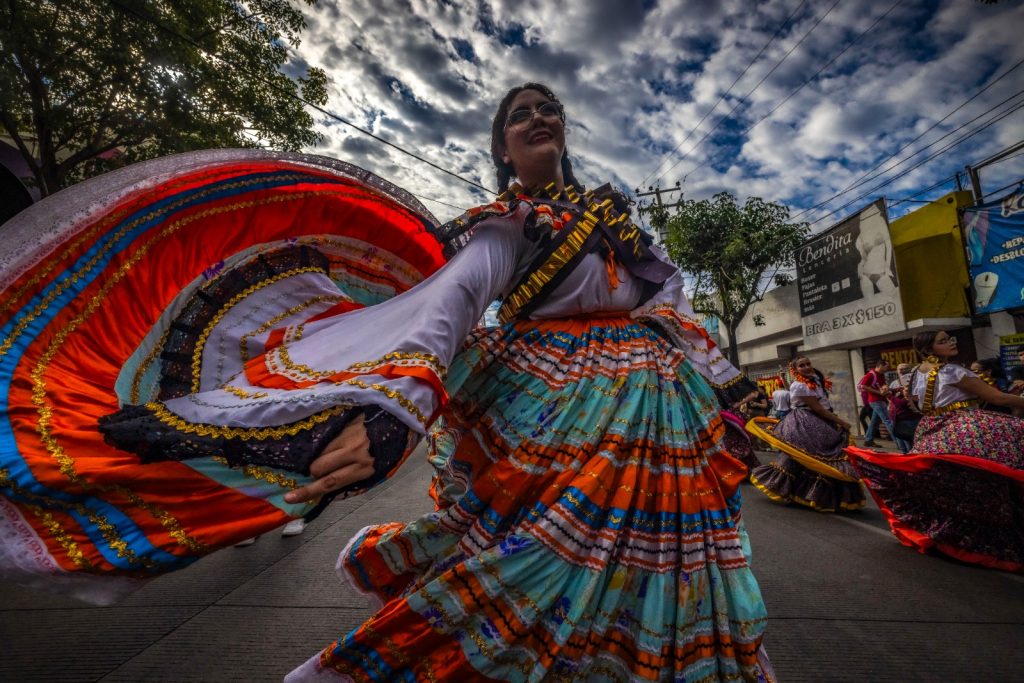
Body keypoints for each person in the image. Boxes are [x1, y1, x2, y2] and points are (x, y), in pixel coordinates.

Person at [0, 84, 774, 681]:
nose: (540, 118)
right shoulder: (505, 227)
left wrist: (727, 382)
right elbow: (452, 302)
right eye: (521, 115)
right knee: (552, 562)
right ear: (504, 150)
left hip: (660, 412)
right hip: (561, 416)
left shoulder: (617, 223)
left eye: (550, 110)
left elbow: (666, 303)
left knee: (677, 572)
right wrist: (394, 410)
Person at [847, 331, 1024, 571]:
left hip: (930, 431)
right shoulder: (953, 372)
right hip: (965, 428)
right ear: (928, 349)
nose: (951, 342)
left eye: (950, 338)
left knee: (952, 489)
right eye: (943, 341)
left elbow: (914, 405)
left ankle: (952, 536)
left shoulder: (912, 376)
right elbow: (999, 399)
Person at [747, 357, 866, 512]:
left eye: (808, 364)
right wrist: (841, 422)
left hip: (819, 420)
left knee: (805, 459)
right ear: (795, 370)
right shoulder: (799, 385)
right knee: (812, 457)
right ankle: (810, 494)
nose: (806, 367)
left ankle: (809, 494)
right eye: (801, 365)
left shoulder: (815, 380)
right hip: (806, 422)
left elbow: (823, 406)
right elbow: (818, 408)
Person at [859, 358, 910, 453]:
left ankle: (868, 440)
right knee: (888, 421)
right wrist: (878, 392)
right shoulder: (871, 374)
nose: (888, 368)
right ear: (880, 365)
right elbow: (863, 386)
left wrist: (894, 390)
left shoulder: (881, 375)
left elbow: (884, 388)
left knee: (875, 422)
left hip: (880, 400)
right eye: (886, 366)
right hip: (876, 401)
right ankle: (899, 443)